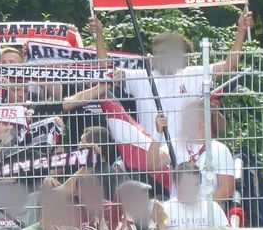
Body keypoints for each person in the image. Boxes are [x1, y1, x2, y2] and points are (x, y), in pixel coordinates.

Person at [90, 11, 253, 141]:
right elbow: (107, 70)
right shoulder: (141, 77)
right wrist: (99, 35)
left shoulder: (193, 74)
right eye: (157, 53)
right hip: (151, 157)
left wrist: (241, 31)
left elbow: (228, 66)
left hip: (185, 156)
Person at [161, 162, 229, 230]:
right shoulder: (165, 209)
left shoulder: (212, 207)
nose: (193, 189)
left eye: (196, 185)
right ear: (175, 183)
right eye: (188, 185)